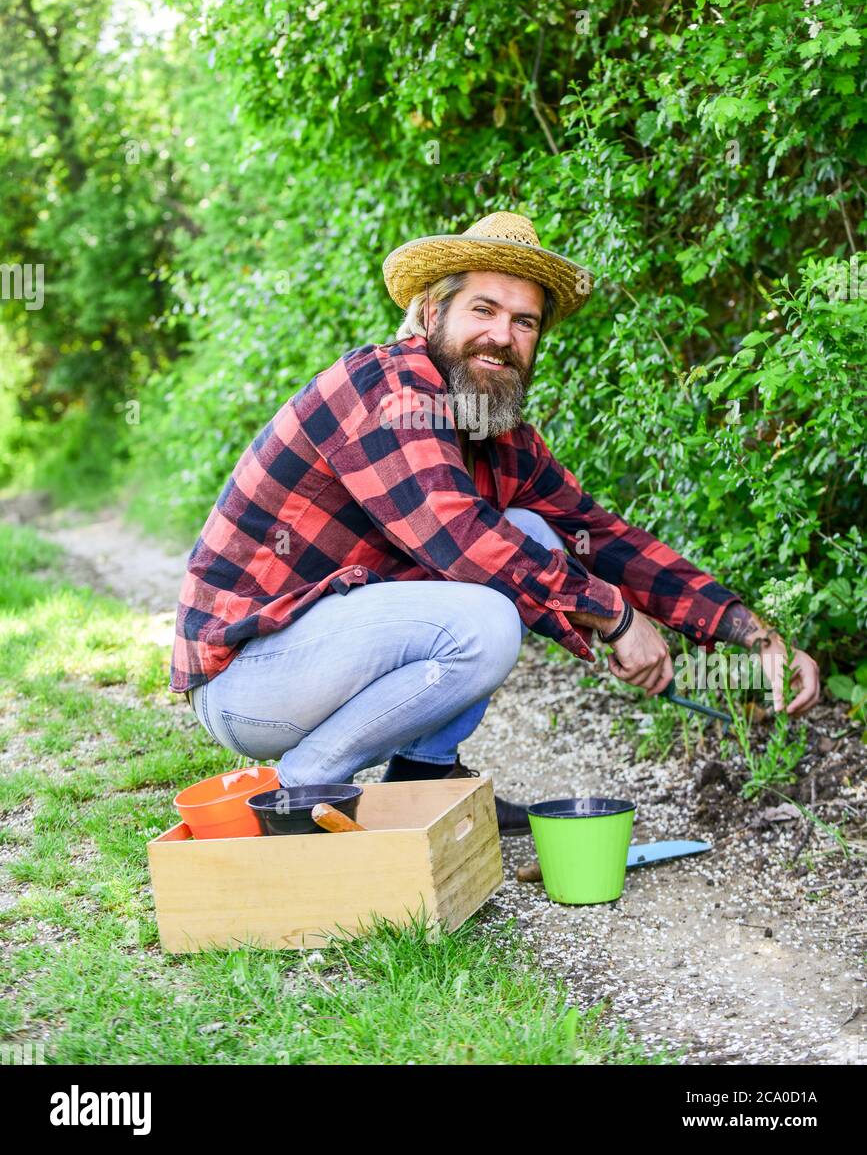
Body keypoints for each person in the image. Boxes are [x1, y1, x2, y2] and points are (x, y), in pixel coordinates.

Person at [169, 211, 821, 835]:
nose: (502, 336)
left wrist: (755, 635)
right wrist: (614, 617)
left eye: (524, 322)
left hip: (321, 656)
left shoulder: (496, 433)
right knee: (486, 617)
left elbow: (604, 537)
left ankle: (422, 779)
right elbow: (459, 538)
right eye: (482, 310)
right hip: (246, 678)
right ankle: (304, 790)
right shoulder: (387, 388)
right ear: (432, 312)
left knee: (534, 535)